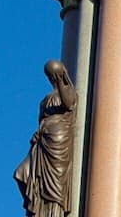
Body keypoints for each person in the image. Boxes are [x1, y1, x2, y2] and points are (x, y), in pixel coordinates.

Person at [16, 60, 79, 217]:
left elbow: (68, 103)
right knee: (21, 172)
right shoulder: (45, 100)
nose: (52, 78)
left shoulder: (69, 91)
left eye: (54, 75)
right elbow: (42, 120)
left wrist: (61, 81)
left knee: (55, 187)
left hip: (58, 144)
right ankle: (38, 209)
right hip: (42, 143)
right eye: (50, 76)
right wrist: (37, 133)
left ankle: (53, 212)